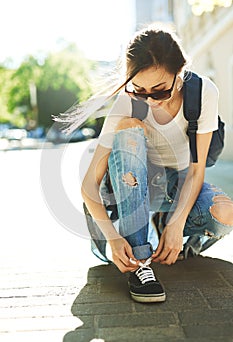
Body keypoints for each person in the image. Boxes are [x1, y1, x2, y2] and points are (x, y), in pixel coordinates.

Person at [60, 24, 233, 303]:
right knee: (129, 128)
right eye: (139, 90)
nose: (150, 101)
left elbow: (196, 169)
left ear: (180, 74)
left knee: (225, 214)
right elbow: (89, 184)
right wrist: (113, 238)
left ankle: (168, 232)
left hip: (177, 184)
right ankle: (140, 260)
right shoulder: (126, 103)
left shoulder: (203, 93)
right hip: (128, 188)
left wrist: (176, 225)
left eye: (160, 91)